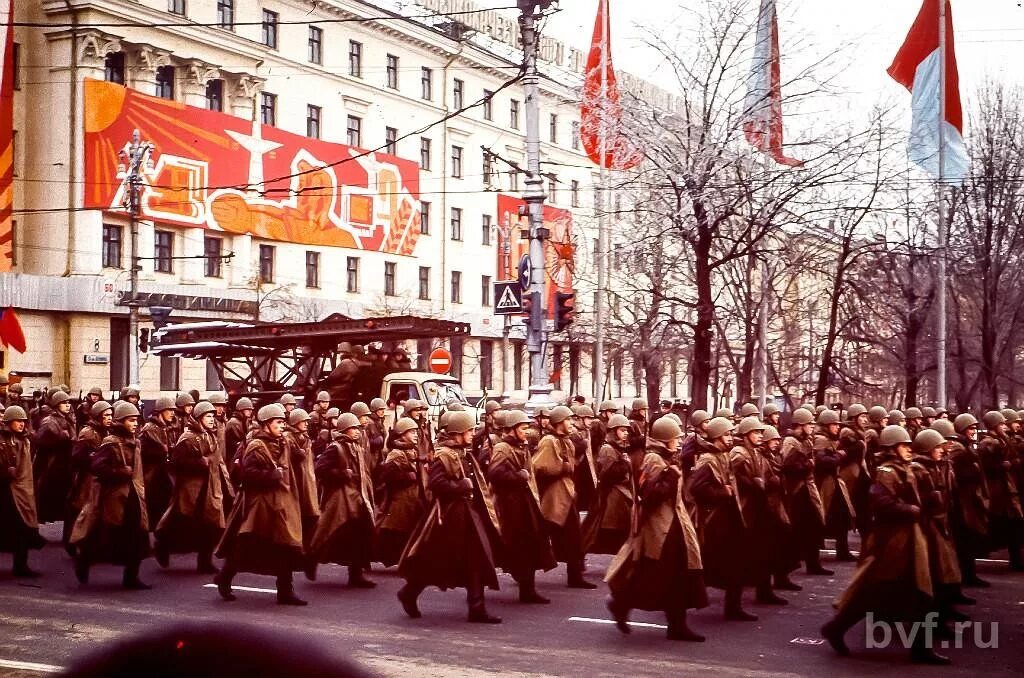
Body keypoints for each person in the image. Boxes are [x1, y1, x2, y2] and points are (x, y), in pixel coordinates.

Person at [821, 426, 950, 665]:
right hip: (892, 543)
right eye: (903, 445)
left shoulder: (906, 469)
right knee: (880, 593)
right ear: (892, 448)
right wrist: (908, 509)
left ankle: (919, 648)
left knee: (911, 594)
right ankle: (836, 628)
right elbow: (880, 502)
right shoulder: (886, 471)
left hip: (907, 541)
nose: (908, 450)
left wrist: (928, 501)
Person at [606, 416, 708, 641]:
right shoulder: (654, 459)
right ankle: (623, 604)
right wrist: (670, 475)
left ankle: (675, 624)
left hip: (673, 522)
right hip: (660, 527)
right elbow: (649, 494)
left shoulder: (665, 457)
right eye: (675, 438)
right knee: (661, 575)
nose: (679, 442)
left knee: (674, 575)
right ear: (665, 440)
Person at [397, 411, 503, 623]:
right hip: (448, 518)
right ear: (457, 433)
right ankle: (409, 592)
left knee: (476, 559)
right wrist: (458, 487)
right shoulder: (444, 454)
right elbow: (435, 484)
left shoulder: (462, 452)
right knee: (435, 561)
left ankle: (477, 608)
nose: (473, 434)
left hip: (468, 515)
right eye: (469, 431)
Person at [215, 404, 307, 606]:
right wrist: (269, 476)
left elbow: (292, 458)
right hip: (260, 505)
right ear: (266, 424)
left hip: (281, 503)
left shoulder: (283, 441)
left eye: (283, 422)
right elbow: (245, 475)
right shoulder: (256, 445)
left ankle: (285, 591)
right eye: (278, 423)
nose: (282, 426)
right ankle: (225, 576)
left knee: (284, 545)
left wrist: (297, 454)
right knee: (246, 545)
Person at [70, 402, 152, 590]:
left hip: (133, 494)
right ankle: (84, 561)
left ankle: (131, 576)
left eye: (136, 420)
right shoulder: (111, 442)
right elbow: (97, 467)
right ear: (121, 421)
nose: (135, 424)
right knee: (104, 536)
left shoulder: (135, 441)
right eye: (131, 421)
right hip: (113, 497)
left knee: (137, 535)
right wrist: (118, 471)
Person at [689, 417, 758, 620]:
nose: (730, 438)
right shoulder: (708, 459)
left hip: (728, 517)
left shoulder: (723, 455)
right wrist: (721, 492)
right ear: (717, 436)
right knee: (706, 564)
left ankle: (733, 607)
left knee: (735, 563)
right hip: (714, 520)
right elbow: (697, 489)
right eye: (726, 434)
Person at [487, 410, 557, 604]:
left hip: (525, 502)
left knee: (531, 544)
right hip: (510, 505)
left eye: (527, 428)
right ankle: (525, 586)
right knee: (518, 546)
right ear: (511, 429)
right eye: (522, 428)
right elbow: (494, 474)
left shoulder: (521, 446)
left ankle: (528, 589)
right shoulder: (503, 448)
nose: (526, 431)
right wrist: (518, 476)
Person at [154, 401, 229, 574]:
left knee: (211, 525)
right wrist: (198, 463)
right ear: (199, 418)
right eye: (208, 416)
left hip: (210, 488)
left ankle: (205, 561)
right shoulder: (187, 438)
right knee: (182, 524)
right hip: (191, 491)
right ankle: (163, 546)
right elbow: (175, 463)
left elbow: (217, 461)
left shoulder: (210, 435)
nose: (212, 419)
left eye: (212, 416)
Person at [308, 413, 376, 588]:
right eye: (353, 428)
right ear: (344, 429)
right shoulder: (335, 448)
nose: (357, 431)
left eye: (357, 428)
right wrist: (340, 474)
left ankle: (356, 574)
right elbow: (320, 469)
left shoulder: (357, 447)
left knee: (360, 536)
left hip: (358, 497)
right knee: (328, 531)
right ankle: (311, 558)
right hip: (340, 499)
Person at [533, 405, 596, 589]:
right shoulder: (549, 441)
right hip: (553, 498)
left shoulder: (567, 441)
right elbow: (540, 467)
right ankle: (524, 578)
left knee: (574, 537)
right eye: (568, 420)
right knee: (540, 536)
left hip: (567, 495)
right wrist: (563, 467)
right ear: (560, 422)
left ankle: (575, 575)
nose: (572, 423)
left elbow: (573, 466)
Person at [911, 428, 967, 631]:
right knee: (934, 576)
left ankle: (940, 618)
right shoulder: (919, 470)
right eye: (938, 447)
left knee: (943, 575)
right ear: (927, 449)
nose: (943, 449)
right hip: (928, 528)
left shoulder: (937, 465)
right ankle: (933, 623)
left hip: (939, 525)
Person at [730, 416, 789, 605]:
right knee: (742, 556)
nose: (759, 436)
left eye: (759, 433)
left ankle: (765, 590)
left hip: (760, 508)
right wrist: (753, 484)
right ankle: (737, 602)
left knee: (766, 551)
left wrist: (772, 481)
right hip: (745, 510)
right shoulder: (739, 453)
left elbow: (767, 474)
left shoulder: (756, 453)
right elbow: (735, 477)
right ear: (746, 434)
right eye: (755, 432)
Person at [781, 408, 831, 575]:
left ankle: (813, 563)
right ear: (800, 425)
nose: (812, 427)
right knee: (797, 528)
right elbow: (789, 466)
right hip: (796, 491)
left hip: (807, 488)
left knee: (813, 526)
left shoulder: (806, 441)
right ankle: (787, 568)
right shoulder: (791, 442)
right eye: (809, 424)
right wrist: (808, 465)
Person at [375, 418, 427, 567]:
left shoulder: (412, 450)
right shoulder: (396, 453)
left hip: (413, 497)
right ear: (402, 434)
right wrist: (406, 476)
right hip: (400, 500)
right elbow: (386, 475)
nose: (415, 435)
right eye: (411, 432)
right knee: (396, 531)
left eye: (416, 432)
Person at [0, 406, 45, 577]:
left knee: (23, 530)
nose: (21, 424)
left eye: (24, 421)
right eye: (18, 421)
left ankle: (21, 565)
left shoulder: (25, 440)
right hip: (6, 492)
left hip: (22, 491)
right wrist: (4, 472)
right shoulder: (3, 441)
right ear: (9, 422)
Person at [947, 413, 991, 587]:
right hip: (961, 499)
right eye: (970, 428)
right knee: (963, 538)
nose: (973, 431)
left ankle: (969, 574)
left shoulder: (966, 445)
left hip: (969, 497)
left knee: (968, 538)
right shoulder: (958, 446)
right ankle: (966, 575)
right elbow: (951, 469)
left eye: (974, 428)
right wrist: (969, 473)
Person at [581, 413, 634, 556]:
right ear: (613, 431)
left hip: (621, 494)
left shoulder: (620, 448)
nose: (625, 433)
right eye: (622, 430)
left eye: (626, 430)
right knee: (597, 528)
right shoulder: (608, 449)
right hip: (610, 496)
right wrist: (624, 463)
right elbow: (608, 474)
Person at [977, 410, 1023, 571]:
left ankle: (1017, 559)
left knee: (1014, 525)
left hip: (1008, 488)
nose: (1004, 427)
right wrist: (1002, 466)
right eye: (1001, 424)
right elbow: (986, 467)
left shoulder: (1002, 440)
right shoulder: (988, 443)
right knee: (1008, 524)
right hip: (998, 491)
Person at [65, 401, 113, 553]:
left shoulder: (105, 431)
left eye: (111, 415)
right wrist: (94, 457)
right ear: (98, 416)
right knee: (83, 510)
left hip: (99, 476)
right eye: (106, 415)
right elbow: (78, 456)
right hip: (87, 478)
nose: (109, 418)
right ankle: (74, 543)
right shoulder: (88, 432)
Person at [760, 424, 801, 591]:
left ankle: (781, 578)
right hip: (768, 508)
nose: (777, 442)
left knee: (783, 544)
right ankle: (766, 587)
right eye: (773, 440)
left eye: (778, 439)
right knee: (769, 549)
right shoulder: (762, 459)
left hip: (778, 505)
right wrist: (770, 482)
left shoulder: (773, 457)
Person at [815, 410, 856, 562]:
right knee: (827, 516)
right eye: (834, 425)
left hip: (834, 482)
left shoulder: (831, 439)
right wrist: (839, 456)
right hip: (825, 484)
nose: (837, 427)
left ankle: (843, 550)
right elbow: (823, 461)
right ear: (826, 425)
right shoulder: (820, 440)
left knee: (843, 516)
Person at [284, 408, 320, 580]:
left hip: (307, 488)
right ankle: (303, 560)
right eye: (302, 421)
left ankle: (308, 560)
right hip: (295, 489)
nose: (306, 424)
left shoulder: (304, 438)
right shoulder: (288, 439)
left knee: (310, 525)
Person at [33, 391, 77, 524]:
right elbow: (41, 441)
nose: (67, 405)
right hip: (53, 464)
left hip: (65, 462)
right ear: (56, 405)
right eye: (64, 403)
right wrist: (60, 437)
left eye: (68, 402)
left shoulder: (67, 418)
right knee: (51, 495)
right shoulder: (49, 421)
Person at [138, 397, 176, 529]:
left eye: (173, 410)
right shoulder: (150, 428)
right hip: (151, 475)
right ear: (160, 411)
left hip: (163, 473)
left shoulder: (166, 427)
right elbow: (142, 451)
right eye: (169, 410)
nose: (172, 413)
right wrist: (161, 451)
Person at [838, 404, 873, 543]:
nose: (865, 420)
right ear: (854, 418)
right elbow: (845, 454)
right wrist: (858, 445)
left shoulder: (859, 433)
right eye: (862, 417)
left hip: (859, 475)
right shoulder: (848, 433)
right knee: (848, 512)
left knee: (861, 511)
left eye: (866, 417)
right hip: (850, 477)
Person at [571, 405, 598, 512]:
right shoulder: (572, 431)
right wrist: (581, 445)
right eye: (588, 418)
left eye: (591, 418)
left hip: (587, 469)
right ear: (580, 418)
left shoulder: (587, 431)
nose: (591, 421)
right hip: (576, 469)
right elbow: (571, 450)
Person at [224, 397, 254, 478]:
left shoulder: (244, 421)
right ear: (241, 410)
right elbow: (230, 442)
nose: (250, 411)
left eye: (251, 409)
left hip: (239, 455)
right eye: (248, 409)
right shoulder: (233, 422)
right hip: (233, 457)